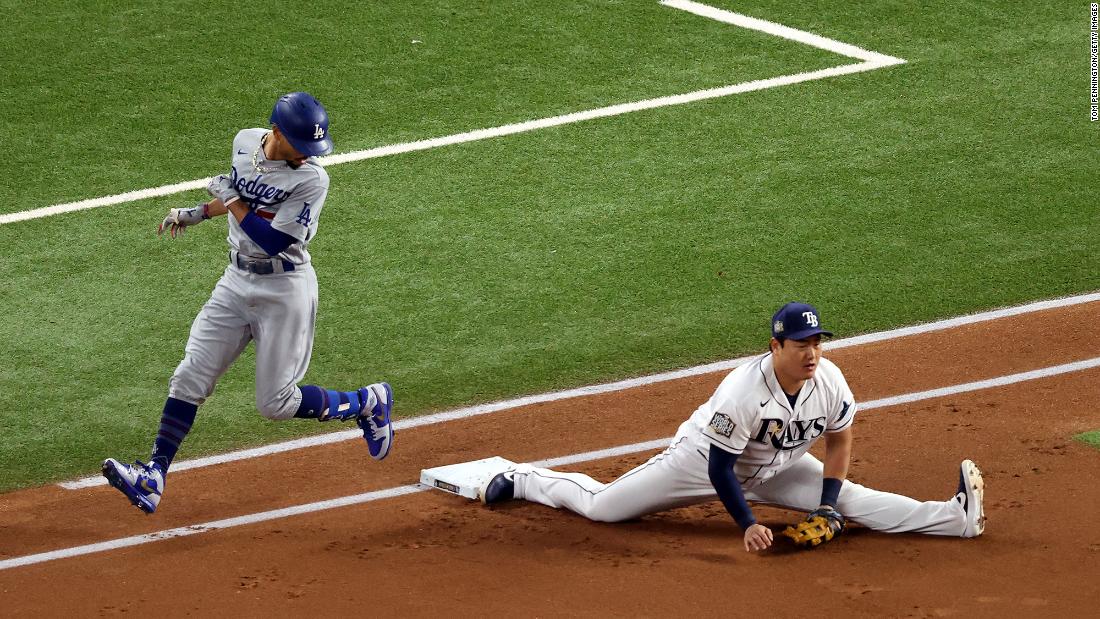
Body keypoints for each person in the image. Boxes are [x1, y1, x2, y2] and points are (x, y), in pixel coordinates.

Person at [479, 302, 985, 551]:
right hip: (699, 464)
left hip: (780, 468)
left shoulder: (829, 381)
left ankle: (954, 517)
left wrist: (828, 501)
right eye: (802, 344)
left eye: (818, 342)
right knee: (605, 508)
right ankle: (526, 479)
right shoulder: (742, 392)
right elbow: (721, 468)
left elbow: (840, 439)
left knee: (853, 500)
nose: (813, 353)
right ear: (776, 347)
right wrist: (748, 525)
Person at [102, 92, 395, 514]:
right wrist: (198, 212)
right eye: (302, 146)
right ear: (276, 133)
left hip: (285, 289)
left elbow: (275, 239)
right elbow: (240, 195)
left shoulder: (313, 180)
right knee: (189, 377)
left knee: (274, 404)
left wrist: (235, 201)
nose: (308, 155)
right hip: (235, 281)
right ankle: (153, 476)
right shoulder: (244, 142)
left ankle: (368, 402)